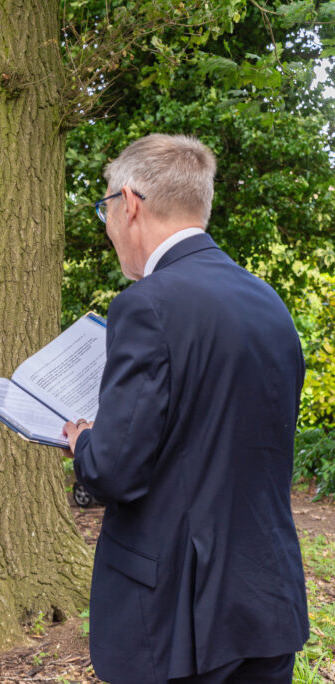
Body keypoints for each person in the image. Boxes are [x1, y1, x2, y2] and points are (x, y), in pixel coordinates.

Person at [62, 134, 308, 683]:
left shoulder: (146, 306)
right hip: (265, 596)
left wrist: (83, 442)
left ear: (129, 203)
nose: (107, 227)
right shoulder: (270, 304)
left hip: (181, 612)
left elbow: (114, 469)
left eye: (105, 208)